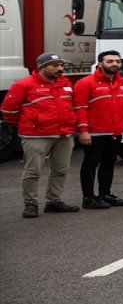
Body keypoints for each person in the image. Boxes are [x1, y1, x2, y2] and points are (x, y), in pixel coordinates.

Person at [2, 52, 80, 218]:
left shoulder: (65, 83)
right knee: (33, 172)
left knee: (60, 170)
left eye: (61, 65)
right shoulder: (23, 85)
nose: (60, 68)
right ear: (42, 67)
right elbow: (8, 111)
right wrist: (29, 124)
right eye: (55, 65)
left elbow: (72, 106)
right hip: (36, 136)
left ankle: (54, 201)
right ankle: (30, 204)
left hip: (63, 135)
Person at [74, 50, 123, 209]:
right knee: (91, 163)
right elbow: (80, 108)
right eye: (110, 61)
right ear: (100, 64)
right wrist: (83, 130)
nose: (114, 64)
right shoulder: (85, 83)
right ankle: (88, 198)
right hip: (94, 132)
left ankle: (105, 194)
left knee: (109, 163)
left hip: (115, 131)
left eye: (117, 61)